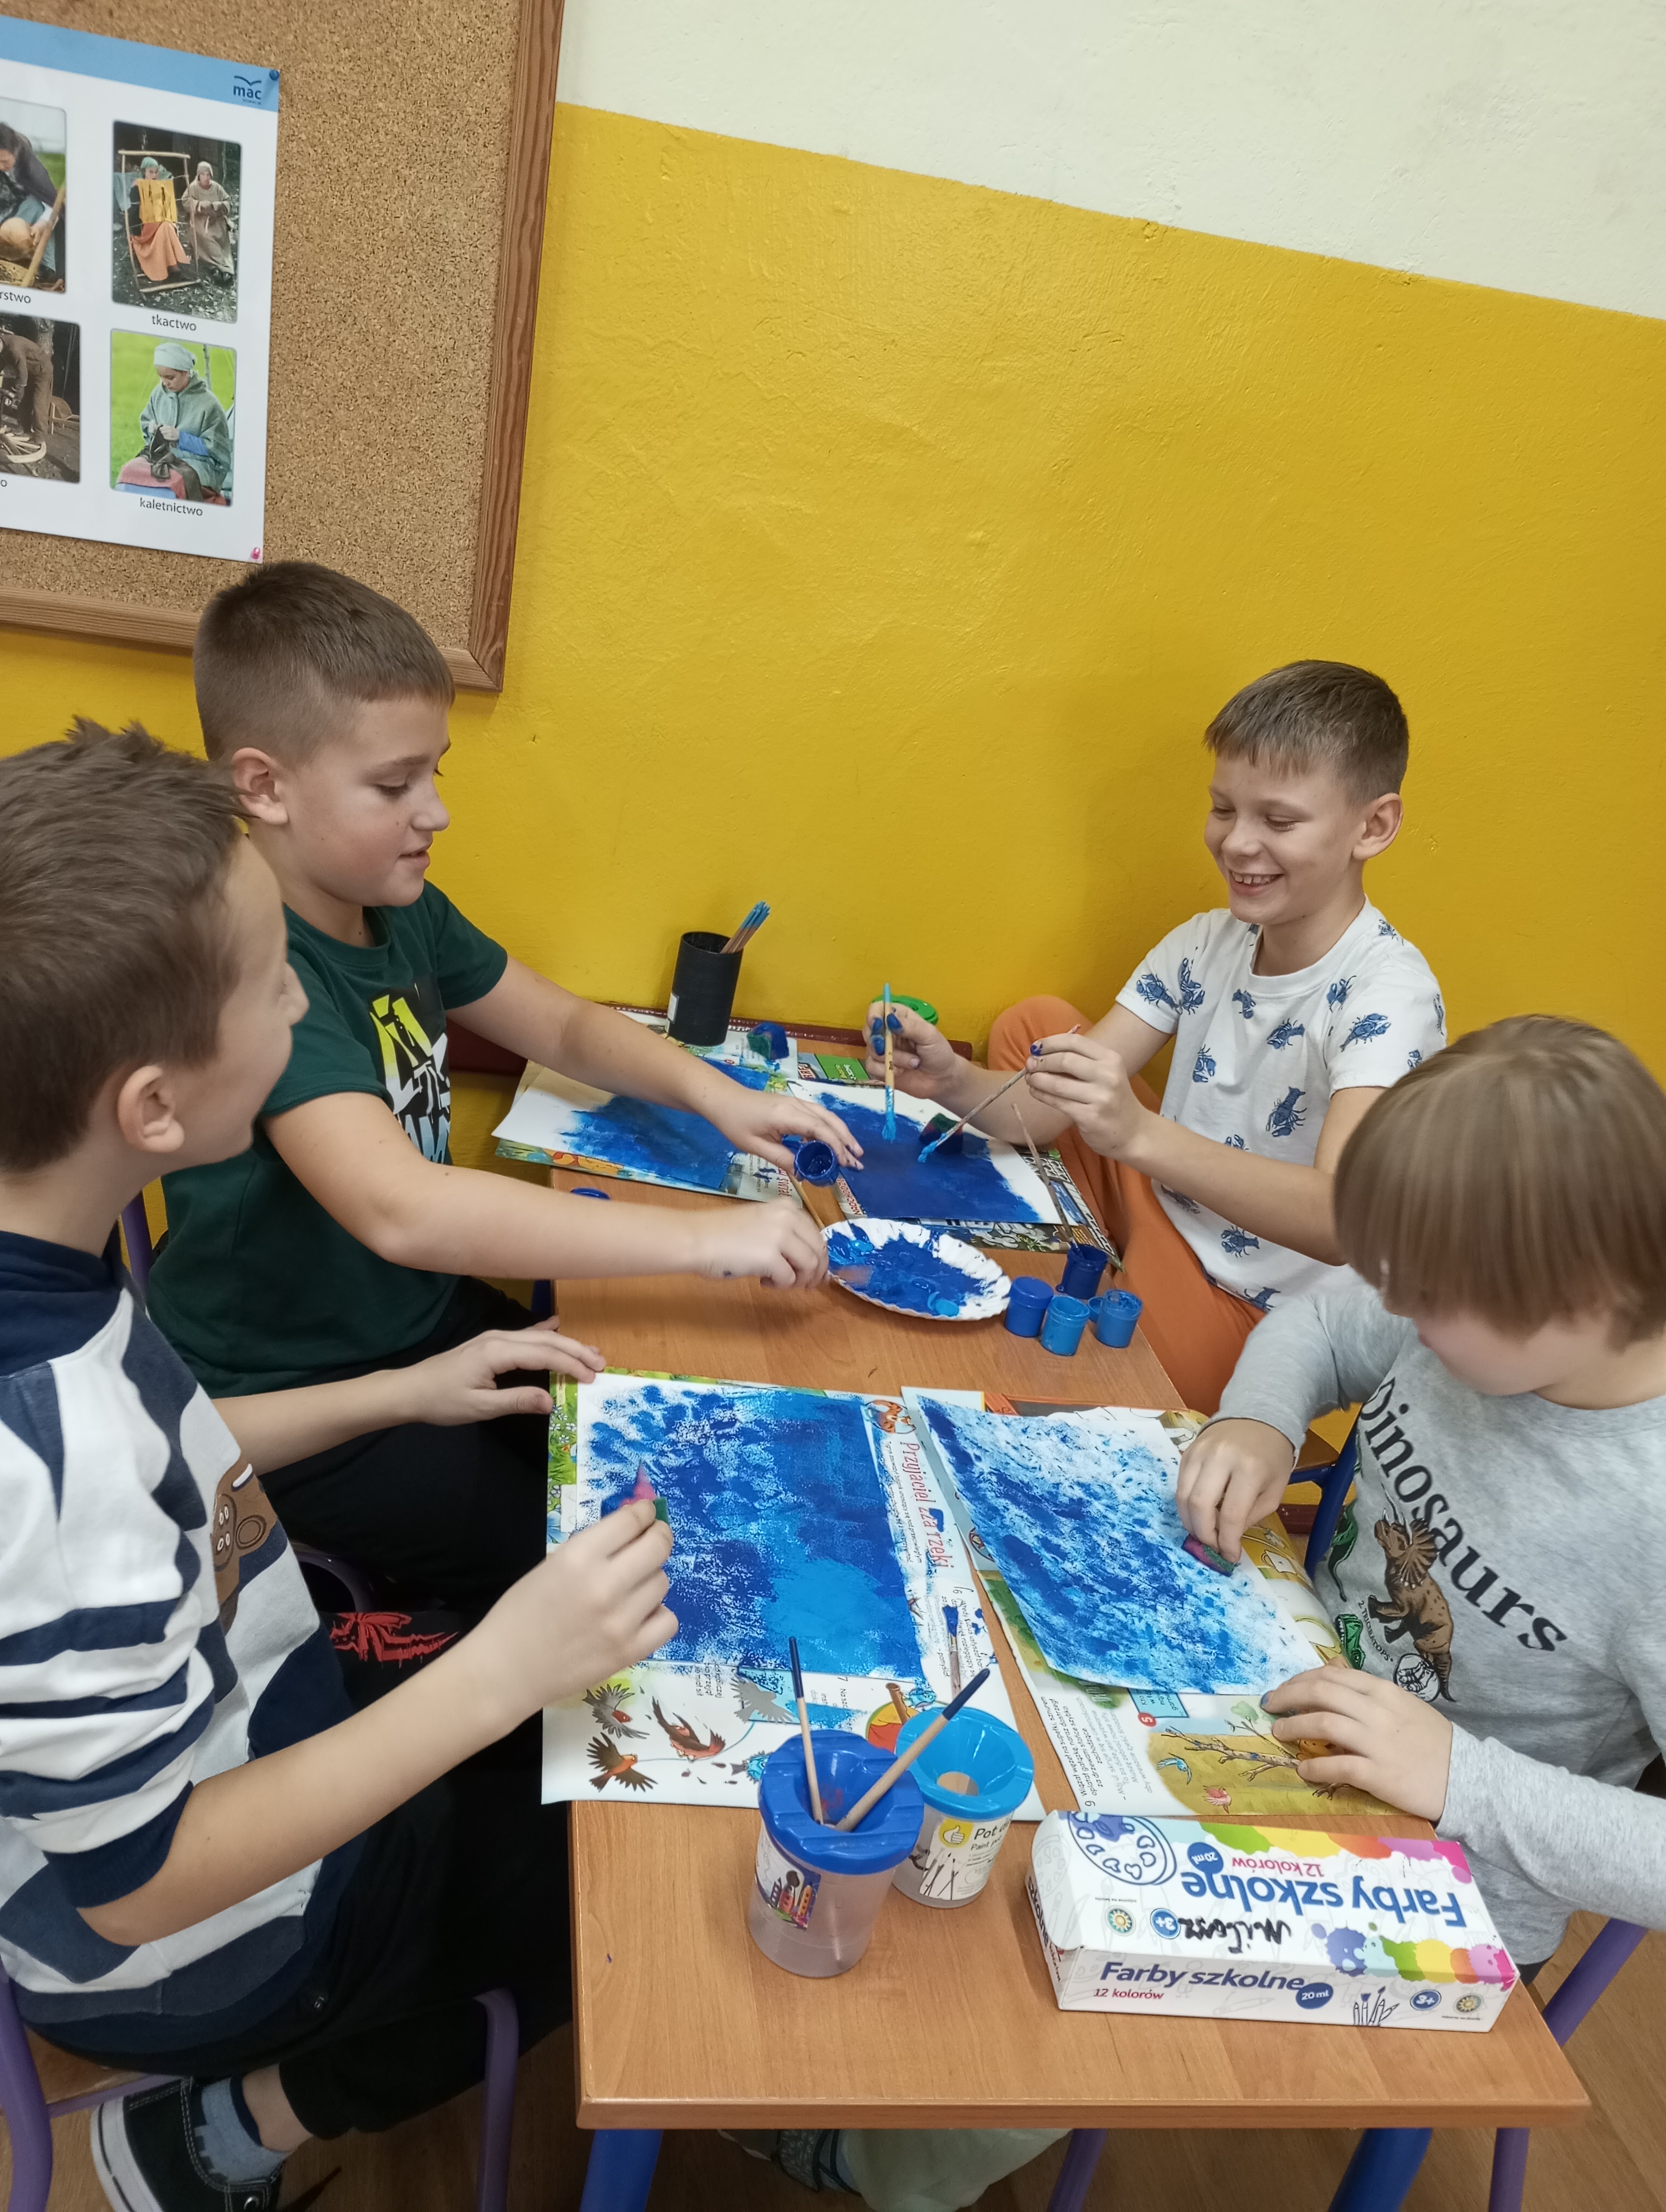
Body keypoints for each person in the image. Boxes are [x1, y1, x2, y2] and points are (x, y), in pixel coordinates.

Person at [0, 722, 678, 2212]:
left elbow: (159, 1456)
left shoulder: (44, 1259)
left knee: (582, 1726)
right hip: (192, 1943)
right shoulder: (42, 1451)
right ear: (154, 1108)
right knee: (631, 1880)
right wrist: (498, 1669)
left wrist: (401, 1390)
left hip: (257, 1707)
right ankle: (227, 2131)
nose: (305, 1000)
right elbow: (144, 1880)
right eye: (272, 984)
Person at [148, 561, 857, 1606]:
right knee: (594, 1571)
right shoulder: (263, 976)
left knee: (658, 1452)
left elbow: (561, 1024)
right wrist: (707, 1242)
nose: (434, 812)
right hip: (293, 1397)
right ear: (264, 787)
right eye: (394, 785)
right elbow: (403, 1210)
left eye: (434, 773)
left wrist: (719, 1096)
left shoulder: (396, 909)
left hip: (418, 1324)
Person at [1177, 1015, 1666, 1973]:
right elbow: (1323, 1321)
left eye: (1428, 1295)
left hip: (1436, 1894)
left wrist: (1460, 1779)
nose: (1398, 1308)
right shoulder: (1477, 1297)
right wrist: (1261, 1418)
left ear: (1589, 1299)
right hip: (1277, 1700)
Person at [864, 661, 1446, 1411]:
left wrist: (1138, 1136)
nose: (1238, 844)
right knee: (1038, 1026)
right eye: (1223, 809)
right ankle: (1114, 1253)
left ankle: (1115, 1272)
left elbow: (1343, 1222)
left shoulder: (1390, 995)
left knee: (1069, 1386)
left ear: (1373, 827)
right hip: (1163, 1202)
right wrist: (950, 1080)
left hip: (1248, 1302)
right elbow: (1043, 1111)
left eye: (1279, 821)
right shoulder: (1207, 940)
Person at [117, 339, 232, 504]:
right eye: (161, 377)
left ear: (186, 372)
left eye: (170, 377)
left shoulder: (209, 404)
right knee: (129, 471)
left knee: (173, 483)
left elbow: (218, 451)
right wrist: (152, 428)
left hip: (201, 464)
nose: (165, 382)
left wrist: (181, 437)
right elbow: (146, 421)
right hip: (162, 457)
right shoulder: (159, 393)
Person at [0, 119, 61, 281]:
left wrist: (43, 223)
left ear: (15, 153)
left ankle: (40, 267)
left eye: (5, 162)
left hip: (28, 212)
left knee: (18, 232)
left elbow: (53, 203)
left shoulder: (31, 171)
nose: (1, 166)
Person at [128, 153, 190, 283]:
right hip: (144, 229)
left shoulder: (159, 186)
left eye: (156, 172)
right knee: (165, 225)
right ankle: (172, 268)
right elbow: (134, 212)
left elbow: (167, 206)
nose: (154, 175)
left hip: (159, 223)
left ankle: (173, 268)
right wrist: (136, 231)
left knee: (167, 226)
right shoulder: (137, 187)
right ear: (144, 172)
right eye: (151, 172)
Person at [0, 316, 52, 462]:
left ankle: (39, 435)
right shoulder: (3, 346)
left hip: (42, 371)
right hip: (29, 371)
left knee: (38, 402)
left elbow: (22, 374)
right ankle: (24, 428)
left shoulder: (14, 348)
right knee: (23, 401)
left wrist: (15, 391)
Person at [183, 159, 234, 283]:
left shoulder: (217, 187)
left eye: (208, 175)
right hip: (200, 221)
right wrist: (199, 205)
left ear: (211, 175)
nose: (206, 178)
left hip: (217, 221)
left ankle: (221, 267)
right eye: (203, 175)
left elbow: (229, 201)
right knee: (206, 237)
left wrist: (221, 205)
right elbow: (185, 201)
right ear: (199, 176)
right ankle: (223, 266)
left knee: (222, 237)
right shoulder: (193, 188)